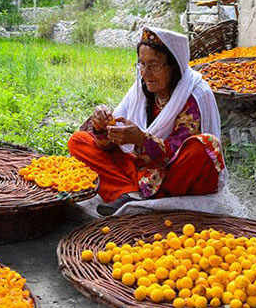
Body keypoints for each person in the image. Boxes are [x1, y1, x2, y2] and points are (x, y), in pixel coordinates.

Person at [68, 27, 226, 216]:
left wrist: (142, 140)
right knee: (79, 141)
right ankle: (127, 193)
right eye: (141, 64)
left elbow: (175, 153)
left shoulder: (193, 95)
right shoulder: (141, 88)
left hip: (176, 171)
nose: (145, 73)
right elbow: (109, 144)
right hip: (142, 164)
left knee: (204, 146)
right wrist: (102, 127)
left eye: (153, 65)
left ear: (174, 66)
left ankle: (143, 195)